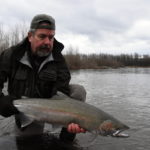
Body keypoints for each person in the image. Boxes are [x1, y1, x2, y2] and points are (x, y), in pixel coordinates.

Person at [0, 14, 86, 142]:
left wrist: (70, 120)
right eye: (42, 36)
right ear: (30, 36)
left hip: (51, 107)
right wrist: (1, 102)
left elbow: (62, 92)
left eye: (51, 37)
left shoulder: (58, 60)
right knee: (28, 142)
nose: (47, 42)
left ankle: (67, 134)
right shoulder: (11, 55)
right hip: (25, 109)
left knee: (78, 91)